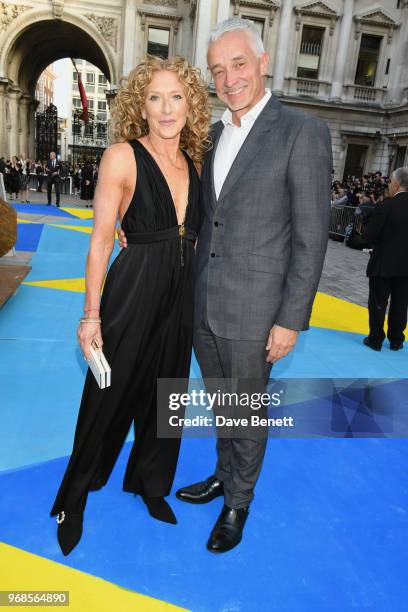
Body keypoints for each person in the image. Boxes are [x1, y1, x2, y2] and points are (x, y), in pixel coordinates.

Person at [119, 18, 332, 553]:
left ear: (263, 62)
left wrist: (290, 318)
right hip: (204, 300)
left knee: (247, 407)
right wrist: (136, 231)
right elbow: (197, 214)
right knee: (223, 402)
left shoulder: (302, 132)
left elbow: (311, 236)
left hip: (258, 309)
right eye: (218, 69)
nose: (229, 77)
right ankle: (221, 473)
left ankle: (238, 500)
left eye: (238, 64)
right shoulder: (211, 135)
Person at [49, 55, 210, 556]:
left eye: (176, 97)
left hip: (181, 293)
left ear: (191, 104)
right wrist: (90, 315)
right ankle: (72, 499)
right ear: (141, 105)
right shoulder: (122, 156)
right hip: (134, 285)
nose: (166, 109)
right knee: (107, 394)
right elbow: (99, 241)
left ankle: (150, 483)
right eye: (155, 98)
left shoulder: (195, 160)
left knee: (167, 394)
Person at [362, 166, 408, 351]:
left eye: (390, 182)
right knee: (401, 303)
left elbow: (369, 236)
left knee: (378, 301)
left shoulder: (385, 206)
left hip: (383, 263)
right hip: (406, 267)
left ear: (396, 185)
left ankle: (375, 339)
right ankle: (397, 340)